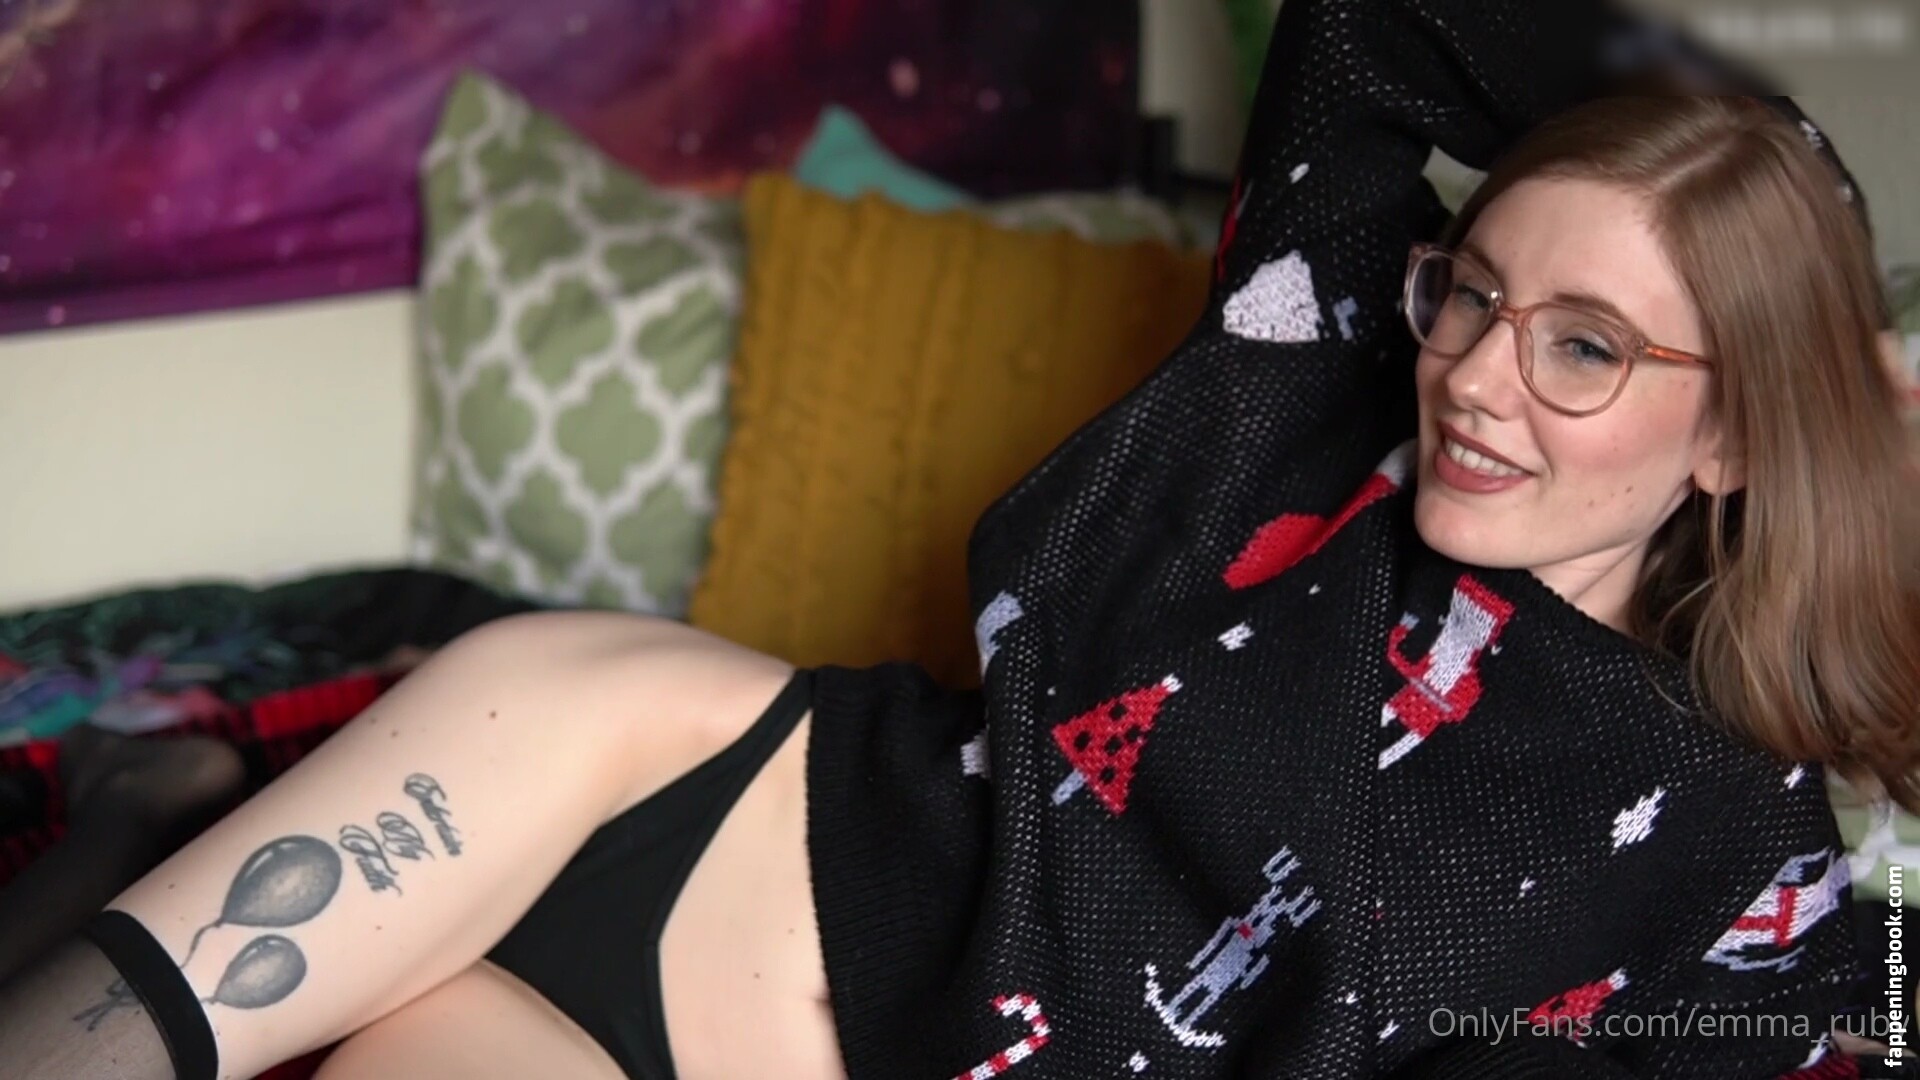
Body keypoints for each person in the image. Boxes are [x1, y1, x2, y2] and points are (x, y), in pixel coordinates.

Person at [2, 0, 1916, 1077]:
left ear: (1740, 426)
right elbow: (1368, 24)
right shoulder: (1317, 417)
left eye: (1584, 346)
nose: (1477, 378)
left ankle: (134, 807)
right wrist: (1738, 141)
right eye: (1472, 292)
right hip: (671, 787)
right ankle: (142, 815)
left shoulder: (1732, 851)